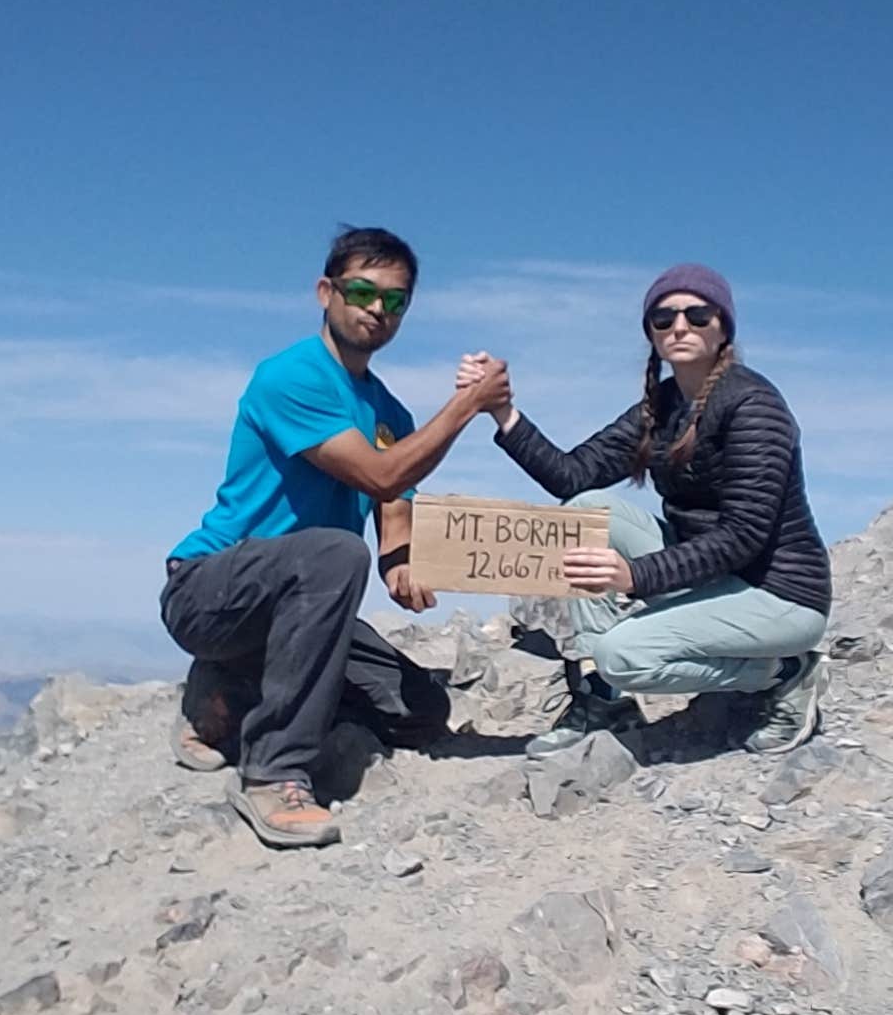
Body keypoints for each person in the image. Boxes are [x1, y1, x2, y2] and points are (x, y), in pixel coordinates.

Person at [161, 226, 510, 848]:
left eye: (396, 301)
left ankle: (235, 690)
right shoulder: (291, 376)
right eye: (362, 291)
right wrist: (466, 407)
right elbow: (382, 473)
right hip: (207, 590)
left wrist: (403, 567)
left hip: (303, 600)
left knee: (421, 711)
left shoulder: (390, 416)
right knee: (333, 551)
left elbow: (391, 510)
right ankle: (272, 772)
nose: (378, 310)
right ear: (327, 292)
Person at [464, 263, 830, 757]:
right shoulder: (661, 407)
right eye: (664, 319)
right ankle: (605, 701)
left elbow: (744, 534)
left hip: (778, 592)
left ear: (723, 327)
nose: (679, 327)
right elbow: (571, 476)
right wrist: (503, 412)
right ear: (652, 333)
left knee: (622, 654)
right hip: (712, 576)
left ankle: (787, 671)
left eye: (697, 315)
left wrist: (634, 576)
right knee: (586, 510)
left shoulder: (753, 405)